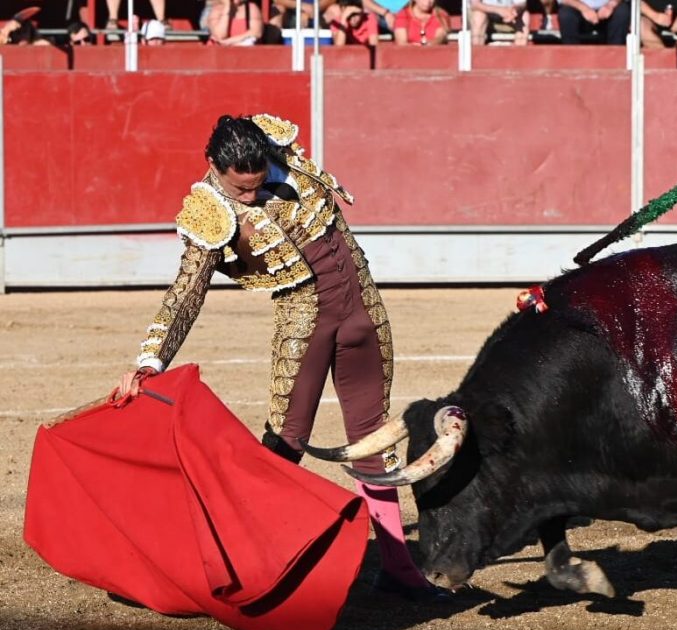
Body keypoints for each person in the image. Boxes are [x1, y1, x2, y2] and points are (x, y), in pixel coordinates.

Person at [114, 114, 447, 602]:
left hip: (364, 309)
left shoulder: (283, 152)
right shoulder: (210, 211)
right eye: (239, 190)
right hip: (305, 324)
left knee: (375, 439)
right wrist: (150, 361)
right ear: (213, 166)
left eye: (254, 185)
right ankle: (246, 564)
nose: (248, 197)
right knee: (285, 447)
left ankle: (397, 566)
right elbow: (186, 293)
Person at [556, 0, 630, 44]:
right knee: (566, 15)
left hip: (609, 8)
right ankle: (571, 55)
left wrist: (610, 5)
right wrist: (584, 9)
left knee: (622, 12)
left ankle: (616, 54)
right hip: (578, 9)